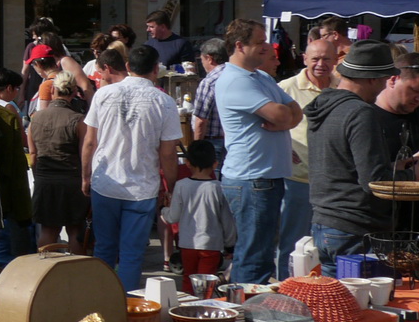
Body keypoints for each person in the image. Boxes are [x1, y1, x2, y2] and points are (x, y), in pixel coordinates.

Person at [304, 39, 415, 322]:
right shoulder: (360, 113)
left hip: (328, 221)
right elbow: (373, 179)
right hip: (356, 228)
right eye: (385, 78)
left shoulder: (324, 106)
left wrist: (399, 165)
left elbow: (347, 167)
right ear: (372, 79)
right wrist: (411, 177)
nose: (385, 85)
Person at [81, 45, 181, 292]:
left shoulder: (104, 94)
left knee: (104, 247)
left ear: (128, 66)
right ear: (156, 69)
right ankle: (126, 302)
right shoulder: (165, 102)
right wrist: (171, 186)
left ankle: (101, 298)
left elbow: (90, 142)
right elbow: (168, 153)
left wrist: (85, 176)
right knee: (132, 253)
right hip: (141, 186)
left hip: (106, 181)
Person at [214, 19, 303, 284]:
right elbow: (283, 113)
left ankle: (246, 300)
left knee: (258, 253)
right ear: (240, 46)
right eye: (260, 42)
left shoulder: (259, 77)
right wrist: (284, 119)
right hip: (253, 179)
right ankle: (247, 304)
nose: (268, 47)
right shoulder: (235, 81)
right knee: (255, 257)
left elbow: (295, 112)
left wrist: (284, 120)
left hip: (262, 178)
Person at [276, 37, 337, 277]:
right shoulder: (285, 88)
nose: (321, 64)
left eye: (326, 59)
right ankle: (285, 287)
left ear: (335, 60)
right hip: (298, 179)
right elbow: (266, 123)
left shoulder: (343, 87)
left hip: (333, 182)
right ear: (304, 59)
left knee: (326, 244)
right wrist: (282, 148)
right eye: (315, 59)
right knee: (292, 242)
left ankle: (320, 289)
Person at [376, 53, 419, 234]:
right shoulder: (367, 118)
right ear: (393, 80)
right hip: (382, 223)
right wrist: (405, 169)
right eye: (415, 90)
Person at [163, 140, 234, 292]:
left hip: (187, 243)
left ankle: (187, 306)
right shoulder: (218, 188)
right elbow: (227, 220)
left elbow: (173, 217)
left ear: (188, 163)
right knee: (206, 284)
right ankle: (203, 305)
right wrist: (230, 244)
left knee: (188, 279)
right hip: (211, 244)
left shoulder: (181, 185)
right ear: (215, 164)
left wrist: (163, 210)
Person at [27, 70, 88, 249]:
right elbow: (85, 155)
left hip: (45, 181)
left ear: (53, 90)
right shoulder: (79, 120)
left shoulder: (36, 118)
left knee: (48, 231)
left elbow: (33, 154)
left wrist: (39, 177)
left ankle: (45, 264)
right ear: (74, 92)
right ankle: (77, 265)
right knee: (75, 231)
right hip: (72, 181)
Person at [0, 69, 35, 265]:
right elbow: (22, 139)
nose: (17, 93)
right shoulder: (8, 108)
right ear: (9, 88)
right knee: (15, 218)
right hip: (11, 169)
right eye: (17, 89)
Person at [189, 38, 231, 165]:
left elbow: (201, 120)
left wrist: (196, 147)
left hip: (212, 143)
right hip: (232, 140)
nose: (202, 64)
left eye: (202, 60)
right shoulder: (236, 76)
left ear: (209, 58)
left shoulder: (209, 82)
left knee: (211, 176)